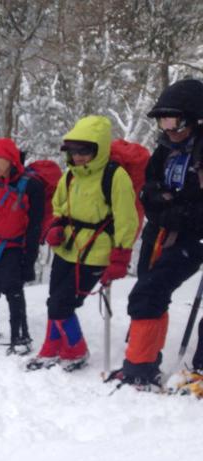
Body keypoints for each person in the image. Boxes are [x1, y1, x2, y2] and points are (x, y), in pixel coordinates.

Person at [109, 78, 203, 388]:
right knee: (150, 294)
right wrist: (161, 205)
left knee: (148, 292)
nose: (169, 129)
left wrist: (181, 211)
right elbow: (148, 190)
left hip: (192, 237)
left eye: (175, 121)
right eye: (163, 121)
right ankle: (141, 364)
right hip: (159, 232)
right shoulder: (166, 150)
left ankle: (143, 367)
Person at [27, 115, 139, 371]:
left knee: (61, 304)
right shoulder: (70, 175)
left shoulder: (115, 176)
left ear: (98, 149)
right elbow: (59, 206)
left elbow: (126, 218)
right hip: (67, 247)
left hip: (96, 252)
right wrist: (55, 226)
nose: (78, 156)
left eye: (84, 150)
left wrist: (120, 256)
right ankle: (52, 347)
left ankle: (77, 350)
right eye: (73, 151)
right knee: (54, 300)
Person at [0, 137, 45, 354]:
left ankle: (20, 336)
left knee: (13, 290)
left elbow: (34, 226)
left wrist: (29, 258)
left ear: (11, 158)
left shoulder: (31, 186)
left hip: (13, 247)